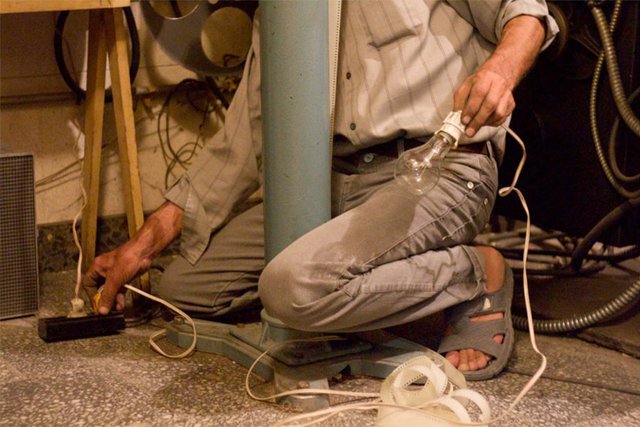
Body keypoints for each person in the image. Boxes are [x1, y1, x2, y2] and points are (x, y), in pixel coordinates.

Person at [83, 0, 558, 380]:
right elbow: (242, 142)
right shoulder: (283, 10)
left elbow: (526, 15)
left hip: (437, 165)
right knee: (186, 290)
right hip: (332, 177)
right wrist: (142, 246)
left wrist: (499, 71)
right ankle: (372, 293)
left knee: (292, 289)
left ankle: (474, 273)